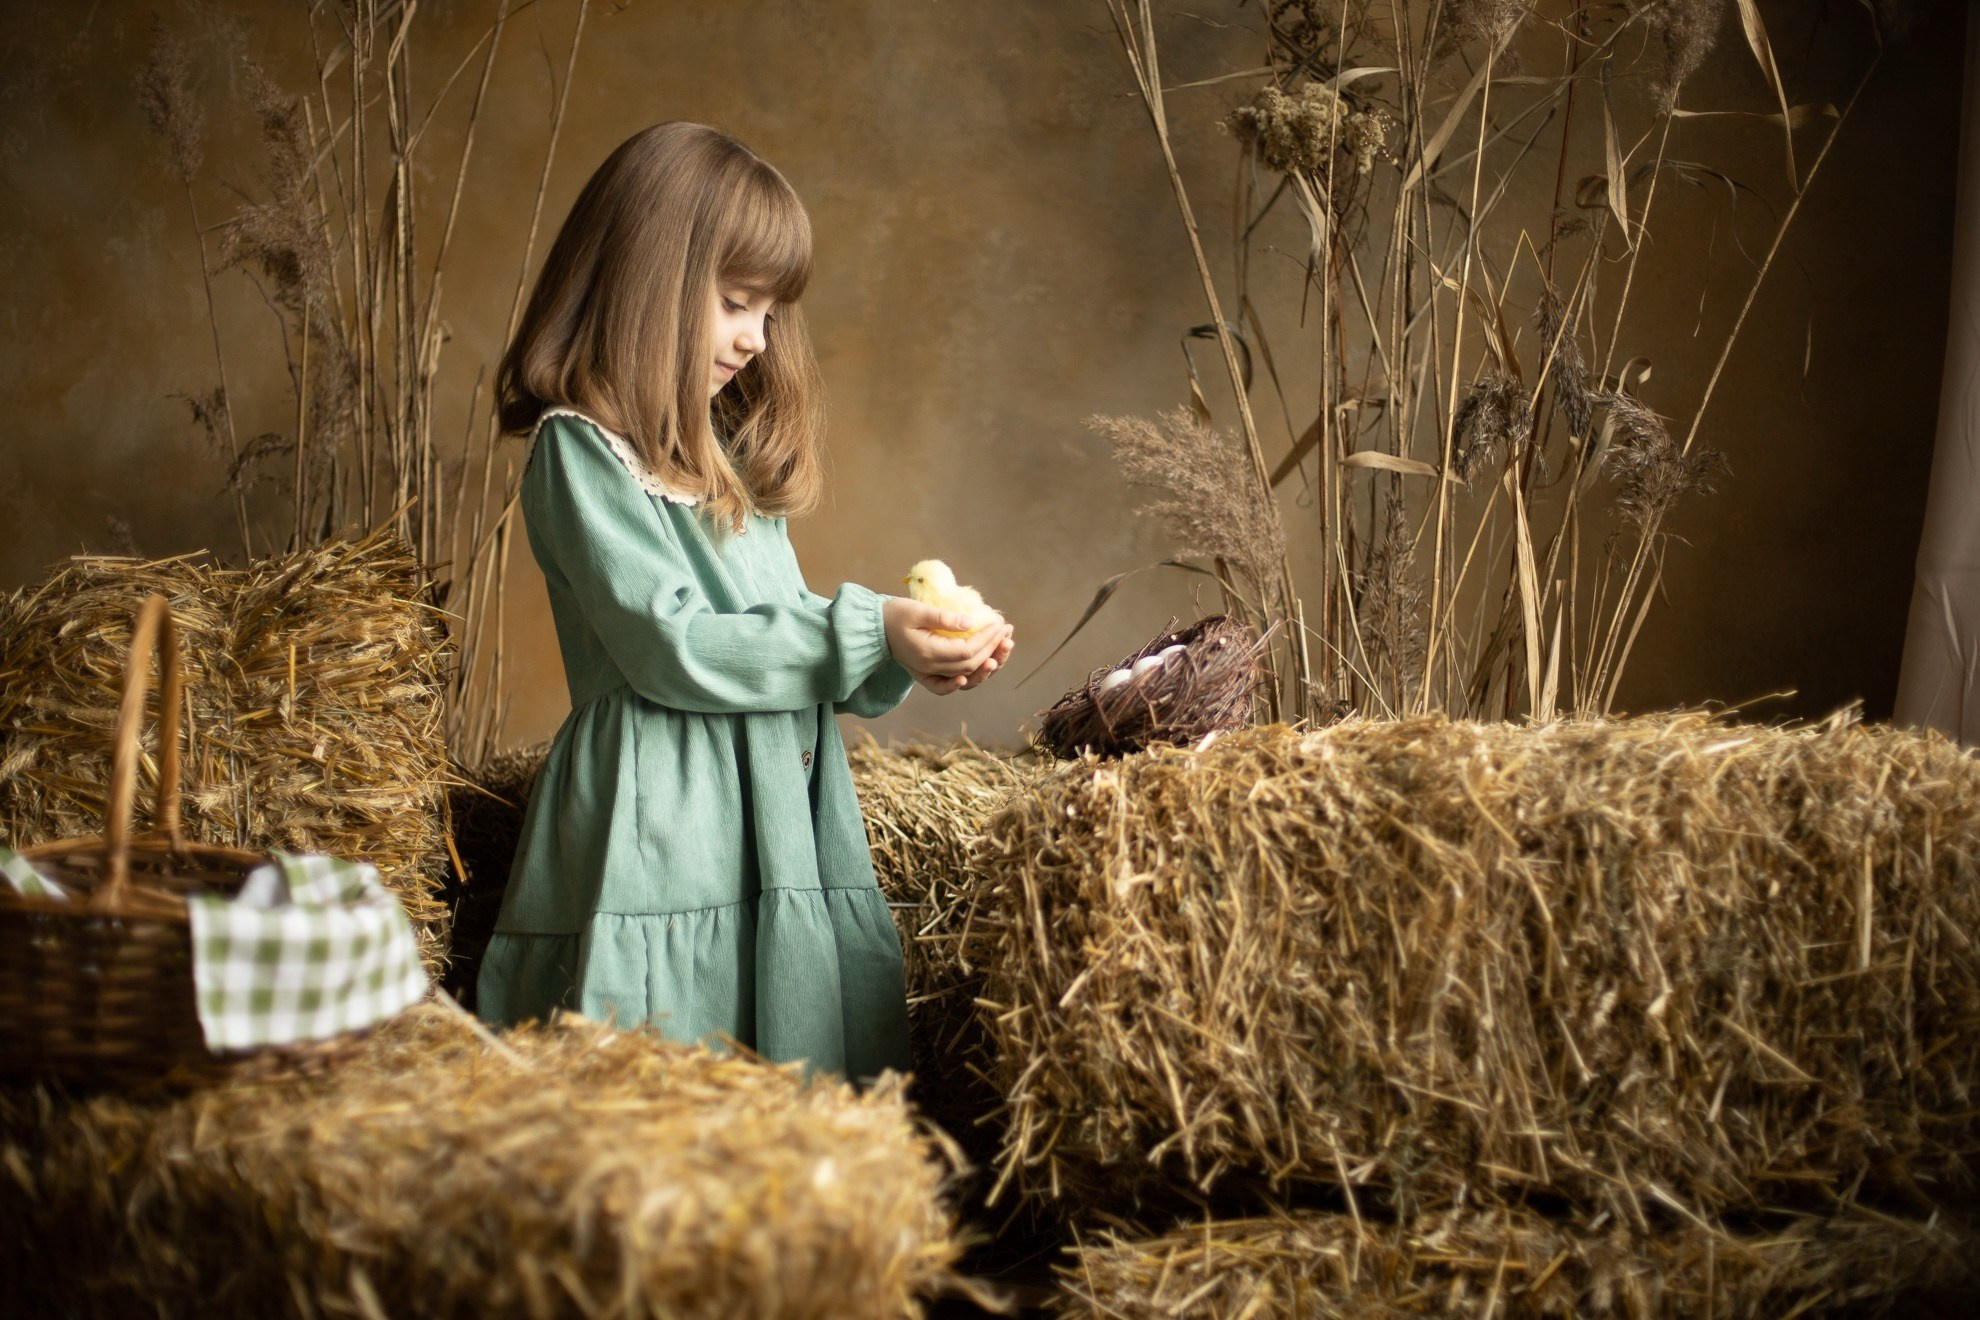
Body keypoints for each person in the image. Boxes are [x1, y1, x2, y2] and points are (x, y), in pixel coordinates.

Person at [474, 122, 1015, 1081]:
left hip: (777, 809)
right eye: (735, 303)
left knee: (788, 1068)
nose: (756, 339)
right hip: (665, 823)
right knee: (668, 1059)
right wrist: (869, 625)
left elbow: (775, 633)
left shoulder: (720, 457)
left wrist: (904, 647)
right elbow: (674, 644)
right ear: (649, 285)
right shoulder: (579, 454)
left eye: (769, 313)